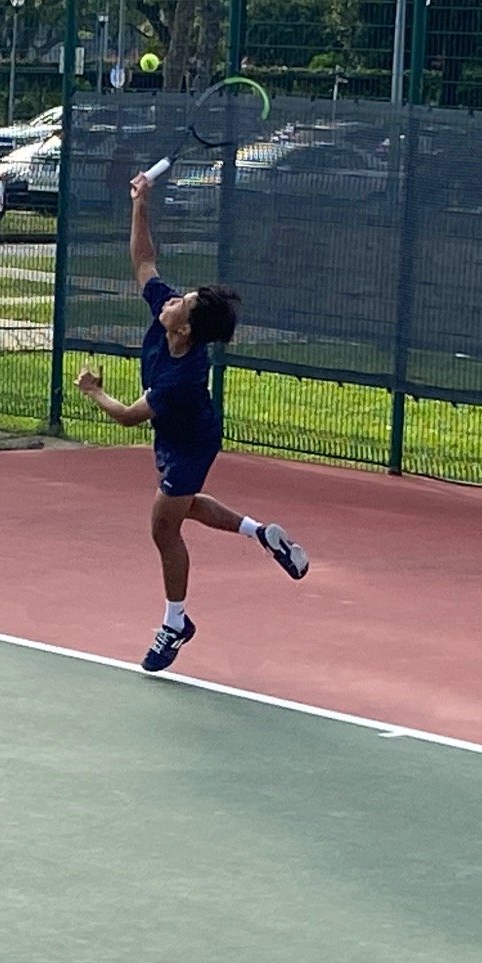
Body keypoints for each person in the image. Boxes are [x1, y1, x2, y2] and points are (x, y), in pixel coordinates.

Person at [73, 172, 308, 673]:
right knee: (182, 507)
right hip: (178, 435)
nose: (173, 298)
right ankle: (260, 533)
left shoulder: (182, 376)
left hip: (192, 440)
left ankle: (176, 622)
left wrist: (93, 391)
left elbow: (129, 418)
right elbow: (143, 260)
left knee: (163, 527)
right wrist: (141, 202)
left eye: (184, 303)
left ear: (187, 327)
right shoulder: (169, 314)